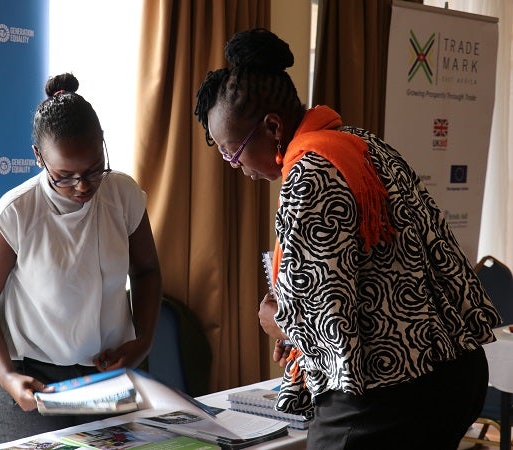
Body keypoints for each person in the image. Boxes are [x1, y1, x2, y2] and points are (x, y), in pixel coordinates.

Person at [194, 28, 501, 449]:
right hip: (454, 371)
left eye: (232, 151)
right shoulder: (361, 143)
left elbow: (329, 323)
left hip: (390, 392)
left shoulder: (309, 176)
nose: (236, 165)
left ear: (271, 126)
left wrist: (279, 324)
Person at [0, 73, 162, 442]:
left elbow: (148, 270)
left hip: (113, 374)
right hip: (36, 384)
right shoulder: (16, 214)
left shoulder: (123, 194)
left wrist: (144, 339)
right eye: (64, 176)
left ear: (102, 143)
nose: (82, 185)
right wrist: (7, 376)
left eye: (92, 169)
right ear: (39, 157)